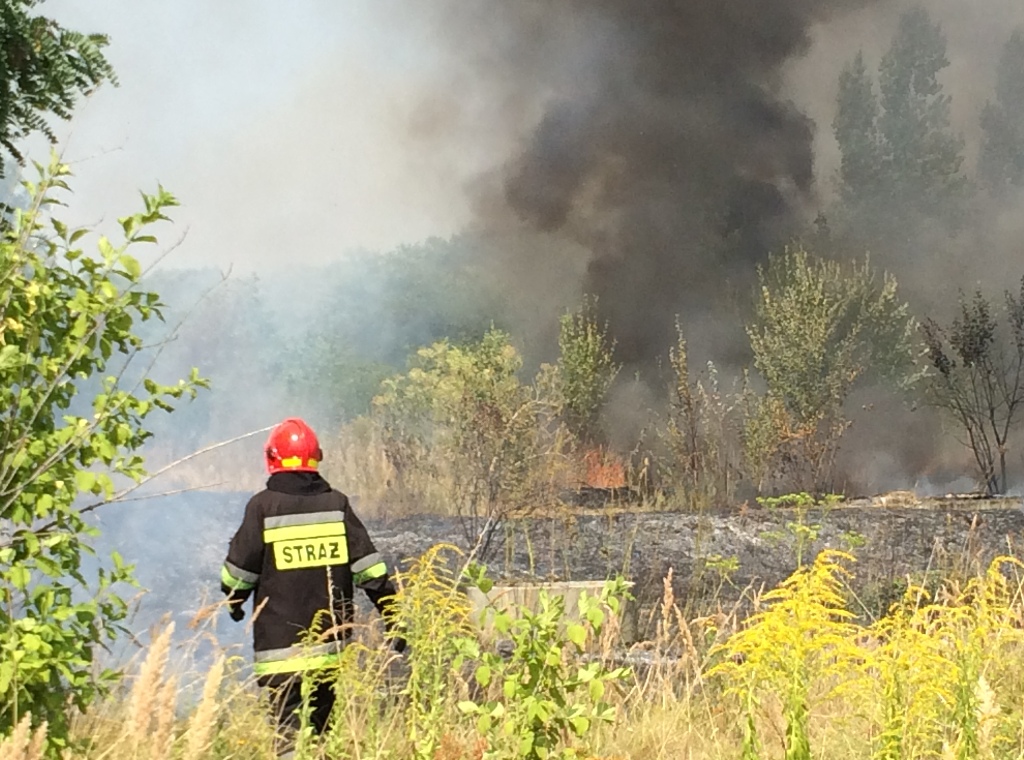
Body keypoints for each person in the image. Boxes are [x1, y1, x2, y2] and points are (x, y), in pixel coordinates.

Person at [220, 417, 405, 759]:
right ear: (316, 458)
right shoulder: (336, 505)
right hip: (327, 646)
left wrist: (235, 601)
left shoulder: (262, 506)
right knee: (320, 734)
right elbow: (369, 569)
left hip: (278, 652)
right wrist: (392, 616)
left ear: (272, 458)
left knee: (288, 736)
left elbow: (238, 571)